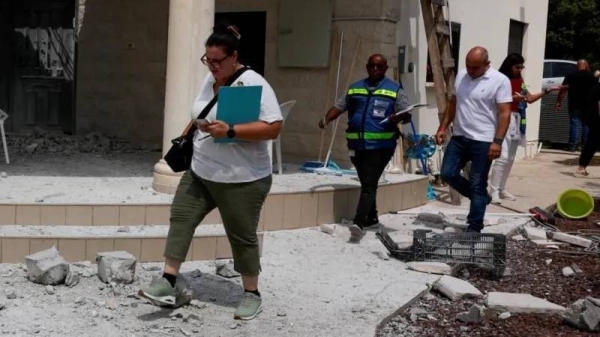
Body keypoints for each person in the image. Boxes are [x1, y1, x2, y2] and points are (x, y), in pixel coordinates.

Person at [138, 24, 283, 321]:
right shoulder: (210, 79)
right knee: (181, 218)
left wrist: (231, 130)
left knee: (241, 236)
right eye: (208, 60)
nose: (213, 66)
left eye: (218, 61)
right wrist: (184, 139)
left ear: (234, 56)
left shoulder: (254, 83)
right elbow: (199, 114)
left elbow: (274, 127)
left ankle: (251, 294)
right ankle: (168, 279)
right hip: (202, 170)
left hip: (242, 178)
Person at [318, 54, 411, 241]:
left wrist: (398, 117)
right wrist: (326, 119)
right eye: (372, 66)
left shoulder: (395, 90)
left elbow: (407, 115)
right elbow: (340, 106)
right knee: (368, 182)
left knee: (369, 183)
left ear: (385, 68)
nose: (375, 69)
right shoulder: (355, 88)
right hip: (356, 145)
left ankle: (359, 222)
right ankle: (372, 217)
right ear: (367, 67)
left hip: (381, 146)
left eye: (379, 66)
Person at [435, 46, 512, 233]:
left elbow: (504, 113)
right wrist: (443, 127)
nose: (470, 70)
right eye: (468, 66)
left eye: (475, 67)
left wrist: (497, 142)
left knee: (478, 182)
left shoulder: (500, 81)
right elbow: (453, 103)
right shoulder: (461, 76)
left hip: (484, 140)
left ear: (487, 64)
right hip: (460, 136)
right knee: (447, 173)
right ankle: (481, 199)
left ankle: (475, 225)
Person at [489, 53, 562, 204]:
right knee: (501, 157)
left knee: (510, 158)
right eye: (517, 67)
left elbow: (529, 98)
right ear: (509, 66)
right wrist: (511, 98)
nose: (520, 70)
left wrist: (547, 91)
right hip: (503, 118)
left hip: (517, 120)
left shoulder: (519, 80)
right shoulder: (500, 80)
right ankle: (493, 191)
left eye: (522, 67)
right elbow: (493, 100)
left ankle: (502, 188)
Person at [556, 59, 597, 152]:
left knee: (574, 124)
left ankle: (572, 146)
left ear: (577, 66)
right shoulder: (592, 76)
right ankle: (584, 146)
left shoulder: (571, 75)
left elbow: (563, 90)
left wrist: (558, 102)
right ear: (587, 66)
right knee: (586, 125)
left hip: (574, 104)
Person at [575, 80, 600, 177]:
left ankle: (582, 166)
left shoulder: (596, 87)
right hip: (597, 121)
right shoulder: (597, 88)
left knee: (591, 143)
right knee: (592, 143)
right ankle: (581, 166)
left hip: (594, 120)